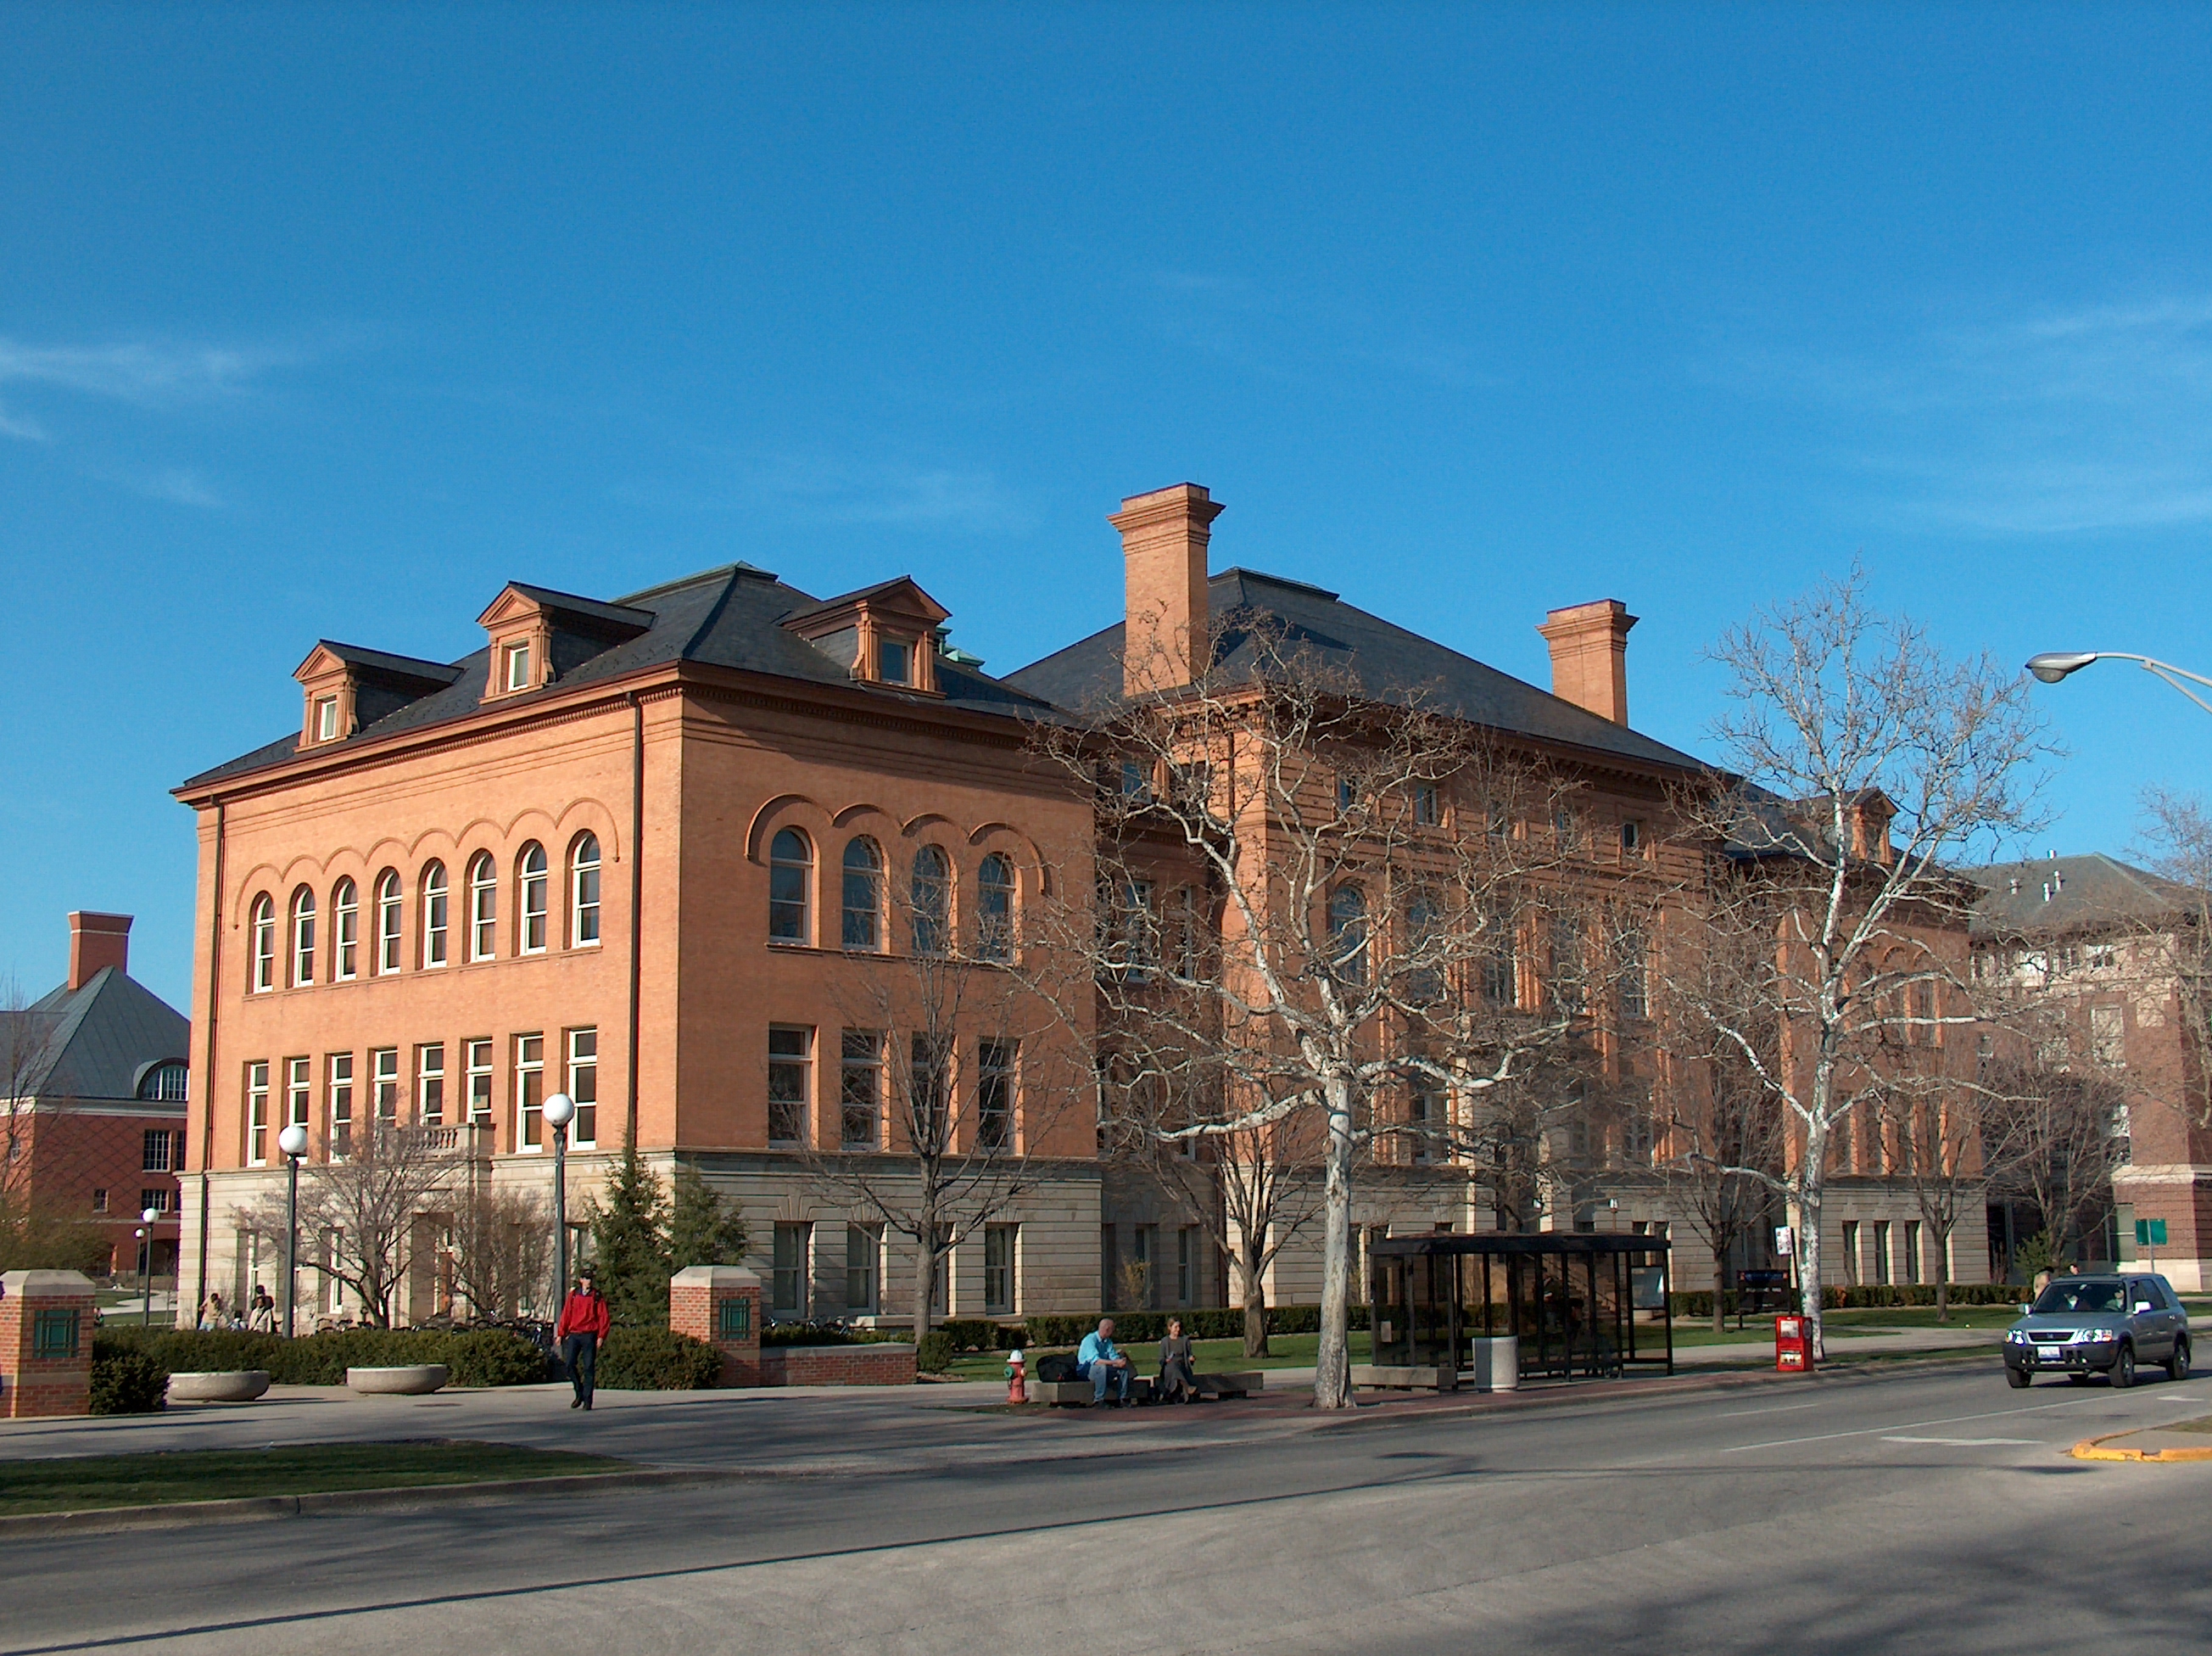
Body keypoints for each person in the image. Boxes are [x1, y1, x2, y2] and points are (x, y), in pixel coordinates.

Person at [555, 1272, 612, 1411]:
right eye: (586, 1279)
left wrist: (601, 1336)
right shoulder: (574, 1295)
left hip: (589, 1335)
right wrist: (561, 1334)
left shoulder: (596, 1296)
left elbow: (603, 1316)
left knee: (588, 1367)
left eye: (590, 1279)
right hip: (574, 1334)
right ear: (581, 1280)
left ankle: (587, 1400)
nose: (588, 1281)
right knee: (569, 1364)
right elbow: (566, 1314)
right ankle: (579, 1391)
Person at [1076, 1317, 1131, 1407]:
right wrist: (1115, 1362)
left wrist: (1119, 1362)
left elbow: (1113, 1357)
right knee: (1101, 1368)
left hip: (1103, 1368)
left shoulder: (1108, 1342)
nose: (1113, 1332)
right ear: (1107, 1329)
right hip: (1086, 1369)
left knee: (1122, 1369)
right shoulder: (1090, 1340)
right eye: (1112, 1329)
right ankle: (1098, 1400)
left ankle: (1122, 1398)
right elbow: (1096, 1361)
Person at [1156, 1317, 1198, 1404]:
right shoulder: (1165, 1341)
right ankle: (1187, 1386)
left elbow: (1189, 1355)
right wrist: (1165, 1360)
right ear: (1169, 1328)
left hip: (1182, 1366)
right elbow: (1161, 1359)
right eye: (1175, 1327)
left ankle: (1171, 1394)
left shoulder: (1184, 1340)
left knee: (1176, 1369)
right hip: (1169, 1367)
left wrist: (1191, 1358)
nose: (1178, 1329)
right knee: (1172, 1366)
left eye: (1179, 1327)